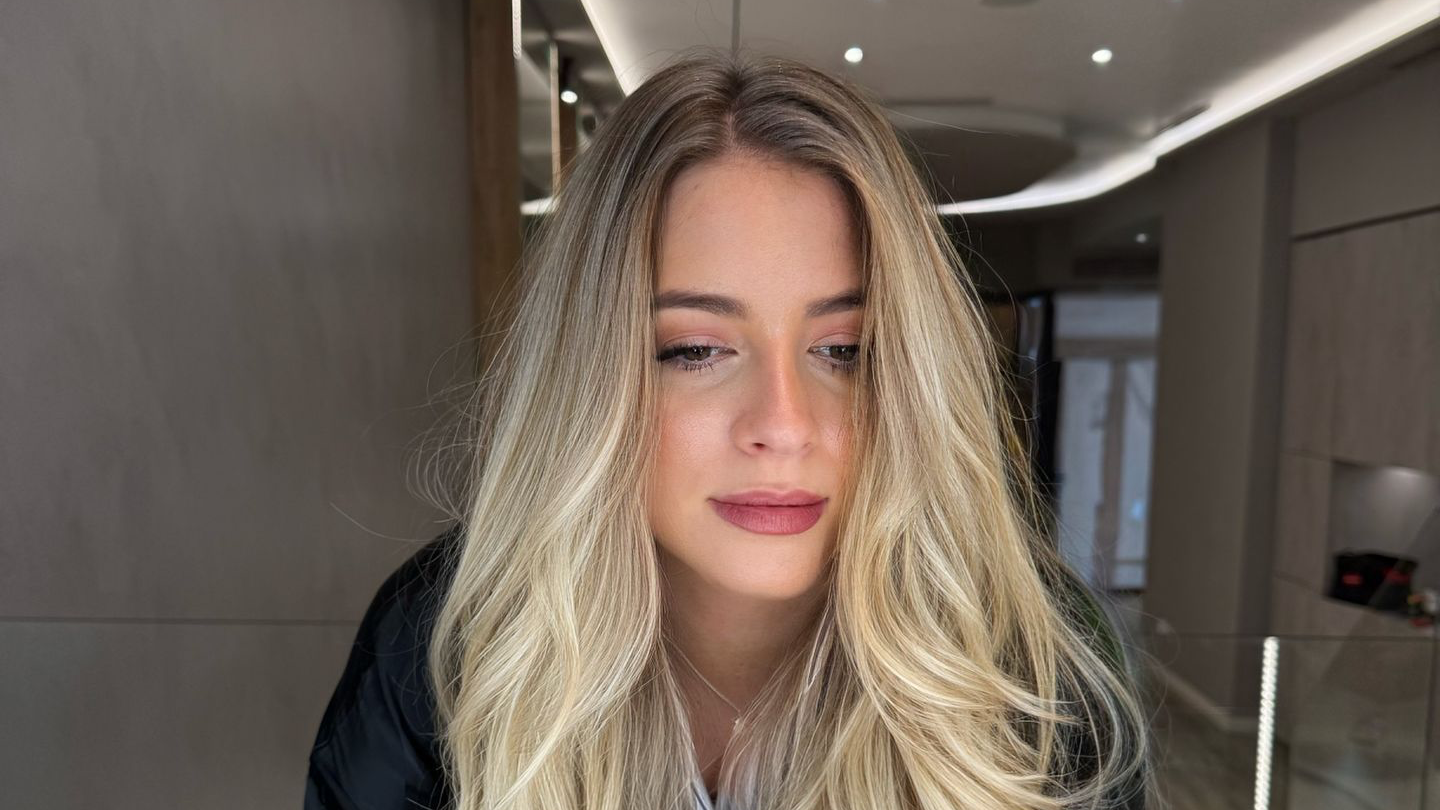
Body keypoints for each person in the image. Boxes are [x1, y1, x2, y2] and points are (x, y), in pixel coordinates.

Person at [305, 48, 1154, 810]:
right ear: (589, 380)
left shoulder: (1036, 671)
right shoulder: (445, 646)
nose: (783, 425)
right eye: (696, 350)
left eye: (845, 350)